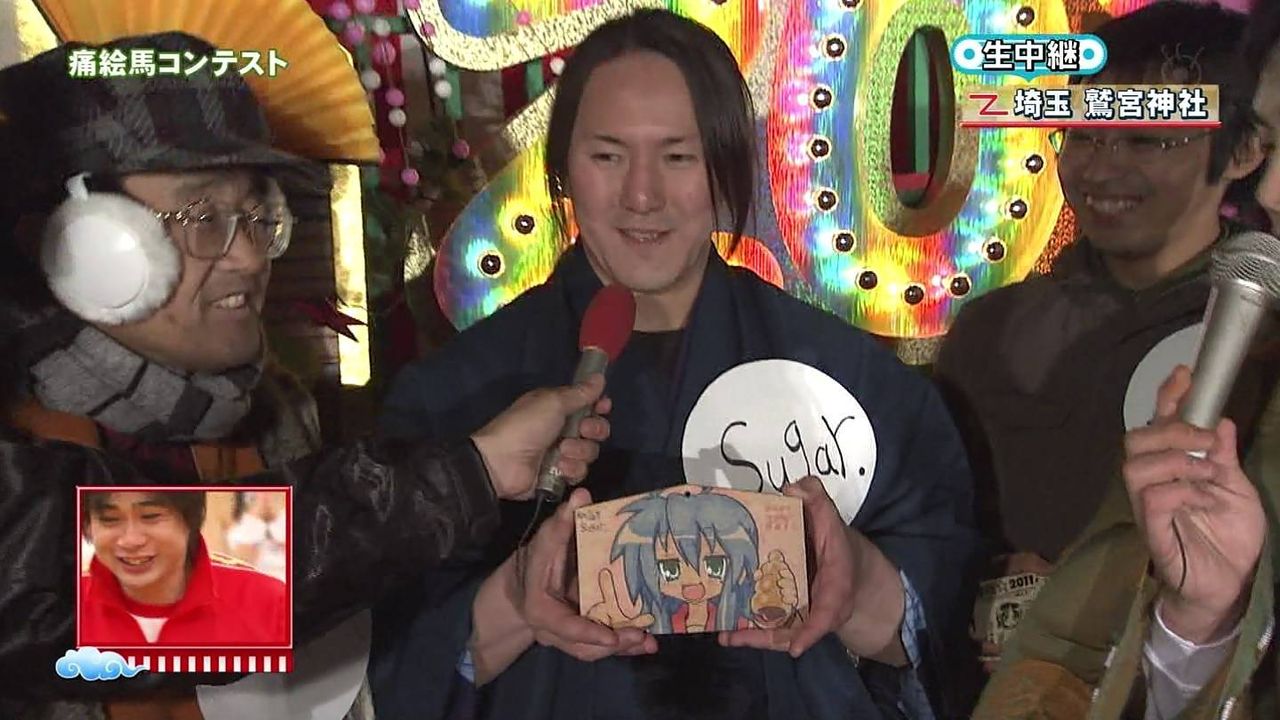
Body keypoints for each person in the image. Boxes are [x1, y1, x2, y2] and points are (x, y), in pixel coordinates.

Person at [370, 10, 981, 720]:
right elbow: (393, 666)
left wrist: (857, 583)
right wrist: (513, 600)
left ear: (727, 167)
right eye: (607, 156)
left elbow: (943, 615)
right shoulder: (455, 396)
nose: (642, 196)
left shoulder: (847, 383)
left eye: (679, 157)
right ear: (562, 168)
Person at [0, 32, 612, 720]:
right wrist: (469, 471)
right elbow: (136, 580)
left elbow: (330, 680)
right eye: (204, 218)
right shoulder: (20, 444)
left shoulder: (277, 418)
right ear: (73, 241)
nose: (247, 259)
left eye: (257, 217)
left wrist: (505, 608)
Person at [932, 0, 1270, 676]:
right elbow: (933, 531)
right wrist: (981, 589)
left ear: (1242, 151)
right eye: (1084, 136)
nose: (1101, 169)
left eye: (1146, 140)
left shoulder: (1265, 345)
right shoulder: (988, 331)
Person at [80, 490, 288, 646]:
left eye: (151, 516)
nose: (130, 540)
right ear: (88, 527)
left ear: (190, 521)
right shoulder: (66, 606)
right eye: (109, 520)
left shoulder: (270, 602)